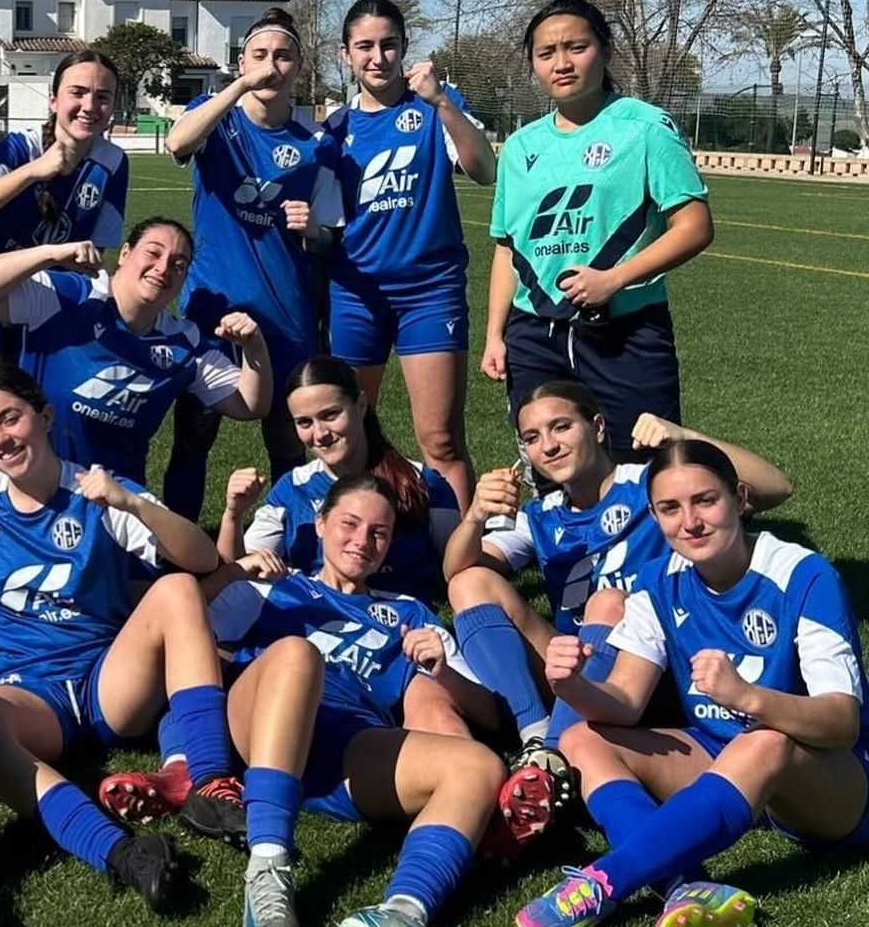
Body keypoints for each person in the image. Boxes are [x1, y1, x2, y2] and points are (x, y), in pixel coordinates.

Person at [125, 476, 517, 927]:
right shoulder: (275, 587)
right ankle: (268, 869)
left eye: (379, 532)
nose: (362, 541)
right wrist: (232, 573)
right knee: (298, 654)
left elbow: (488, 714)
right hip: (261, 725)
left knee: (480, 766)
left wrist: (441, 669)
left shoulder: (410, 612)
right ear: (320, 523)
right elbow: (181, 631)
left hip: (346, 745)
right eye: (349, 524)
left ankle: (404, 910)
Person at [517, 440, 867, 927]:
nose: (690, 522)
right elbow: (624, 701)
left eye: (705, 501)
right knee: (581, 739)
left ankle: (603, 882)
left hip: (833, 783)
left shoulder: (802, 574)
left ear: (739, 499)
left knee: (764, 741)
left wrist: (749, 697)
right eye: (670, 508)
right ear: (654, 516)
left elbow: (843, 723)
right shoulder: (658, 581)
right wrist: (572, 686)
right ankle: (684, 886)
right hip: (726, 760)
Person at [0, 365, 245, 912]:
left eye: (11, 418)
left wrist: (132, 503)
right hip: (31, 690)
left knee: (178, 589)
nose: (0, 440)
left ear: (45, 417)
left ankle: (211, 784)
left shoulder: (96, 490)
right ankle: (122, 853)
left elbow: (203, 558)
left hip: (107, 680)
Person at [442, 380, 792, 805]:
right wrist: (475, 517)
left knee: (610, 602)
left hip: (652, 673)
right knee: (470, 583)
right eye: (532, 438)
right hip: (576, 675)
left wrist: (682, 437)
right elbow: (457, 570)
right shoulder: (540, 516)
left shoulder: (651, 485)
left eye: (561, 427)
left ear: (598, 427)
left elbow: (776, 488)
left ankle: (552, 760)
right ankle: (535, 735)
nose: (548, 446)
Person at [0, 49, 127, 686]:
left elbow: (101, 252)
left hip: (38, 303)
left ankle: (45, 571)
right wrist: (36, 170)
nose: (89, 105)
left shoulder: (113, 163)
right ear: (53, 98)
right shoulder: (19, 145)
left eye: (102, 96)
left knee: (39, 425)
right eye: (78, 93)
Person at [483, 0, 713, 456]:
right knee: (551, 467)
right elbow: (508, 246)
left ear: (605, 51)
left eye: (576, 47)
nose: (562, 63)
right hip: (534, 336)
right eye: (546, 53)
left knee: (644, 466)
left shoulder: (645, 128)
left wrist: (614, 280)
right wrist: (494, 334)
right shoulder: (520, 146)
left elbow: (695, 226)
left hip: (625, 332)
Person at [161, 6, 345, 520]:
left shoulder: (317, 147)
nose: (270, 66)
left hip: (286, 314)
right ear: (242, 62)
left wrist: (312, 229)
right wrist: (238, 88)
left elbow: (327, 240)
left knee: (288, 439)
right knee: (194, 435)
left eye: (283, 56)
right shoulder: (215, 117)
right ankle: (181, 551)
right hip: (212, 308)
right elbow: (177, 142)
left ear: (299, 66)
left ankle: (291, 544)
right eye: (259, 55)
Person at [323, 0, 496, 509]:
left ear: (404, 47)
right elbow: (327, 226)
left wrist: (441, 102)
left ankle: (459, 546)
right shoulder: (334, 129)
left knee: (440, 439)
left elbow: (484, 170)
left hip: (430, 293)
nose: (377, 58)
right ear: (345, 54)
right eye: (364, 47)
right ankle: (360, 536)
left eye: (389, 45)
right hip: (356, 296)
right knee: (350, 434)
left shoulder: (435, 105)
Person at [0, 216, 270, 484]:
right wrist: (50, 253)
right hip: (24, 485)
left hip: (111, 501)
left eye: (178, 265)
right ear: (125, 253)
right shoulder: (71, 296)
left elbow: (249, 405)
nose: (163, 268)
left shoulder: (183, 343)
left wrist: (254, 347)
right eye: (153, 253)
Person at [217, 356, 460, 599]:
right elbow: (237, 573)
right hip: (321, 618)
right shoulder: (293, 489)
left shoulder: (423, 482)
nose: (320, 433)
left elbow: (458, 569)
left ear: (361, 405)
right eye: (304, 422)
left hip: (407, 618)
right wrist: (234, 515)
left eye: (330, 415)